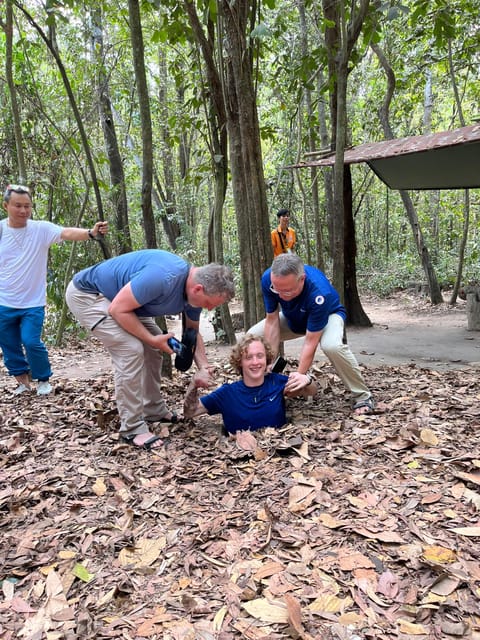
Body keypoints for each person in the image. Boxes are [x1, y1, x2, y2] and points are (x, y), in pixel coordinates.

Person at [66, 250, 235, 450]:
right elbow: (117, 310)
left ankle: (153, 409)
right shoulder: (163, 277)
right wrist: (153, 339)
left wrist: (203, 366)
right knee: (131, 349)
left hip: (125, 304)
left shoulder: (193, 294)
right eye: (208, 304)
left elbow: (192, 333)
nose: (207, 309)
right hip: (91, 295)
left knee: (152, 351)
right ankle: (132, 428)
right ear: (198, 289)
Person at [0, 184, 108, 396]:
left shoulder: (41, 229)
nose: (23, 211)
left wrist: (91, 233)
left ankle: (43, 379)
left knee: (31, 341)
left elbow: (66, 232)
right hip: (4, 300)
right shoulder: (1, 230)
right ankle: (22, 382)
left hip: (33, 302)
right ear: (6, 206)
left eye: (27, 206)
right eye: (17, 206)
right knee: (9, 344)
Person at [248, 253, 375, 415]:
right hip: (294, 318)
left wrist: (300, 375)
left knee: (332, 346)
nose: (280, 296)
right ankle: (257, 387)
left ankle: (362, 395)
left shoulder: (319, 293)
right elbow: (272, 321)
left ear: (302, 279)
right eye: (276, 290)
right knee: (252, 337)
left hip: (328, 316)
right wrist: (268, 360)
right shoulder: (269, 279)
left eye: (286, 291)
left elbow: (310, 341)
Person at [183, 334, 317, 434]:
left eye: (260, 356)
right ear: (239, 361)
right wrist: (194, 385)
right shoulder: (227, 393)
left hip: (278, 454)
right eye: (248, 357)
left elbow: (310, 392)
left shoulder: (276, 382)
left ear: (267, 359)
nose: (255, 362)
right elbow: (190, 412)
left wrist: (307, 379)